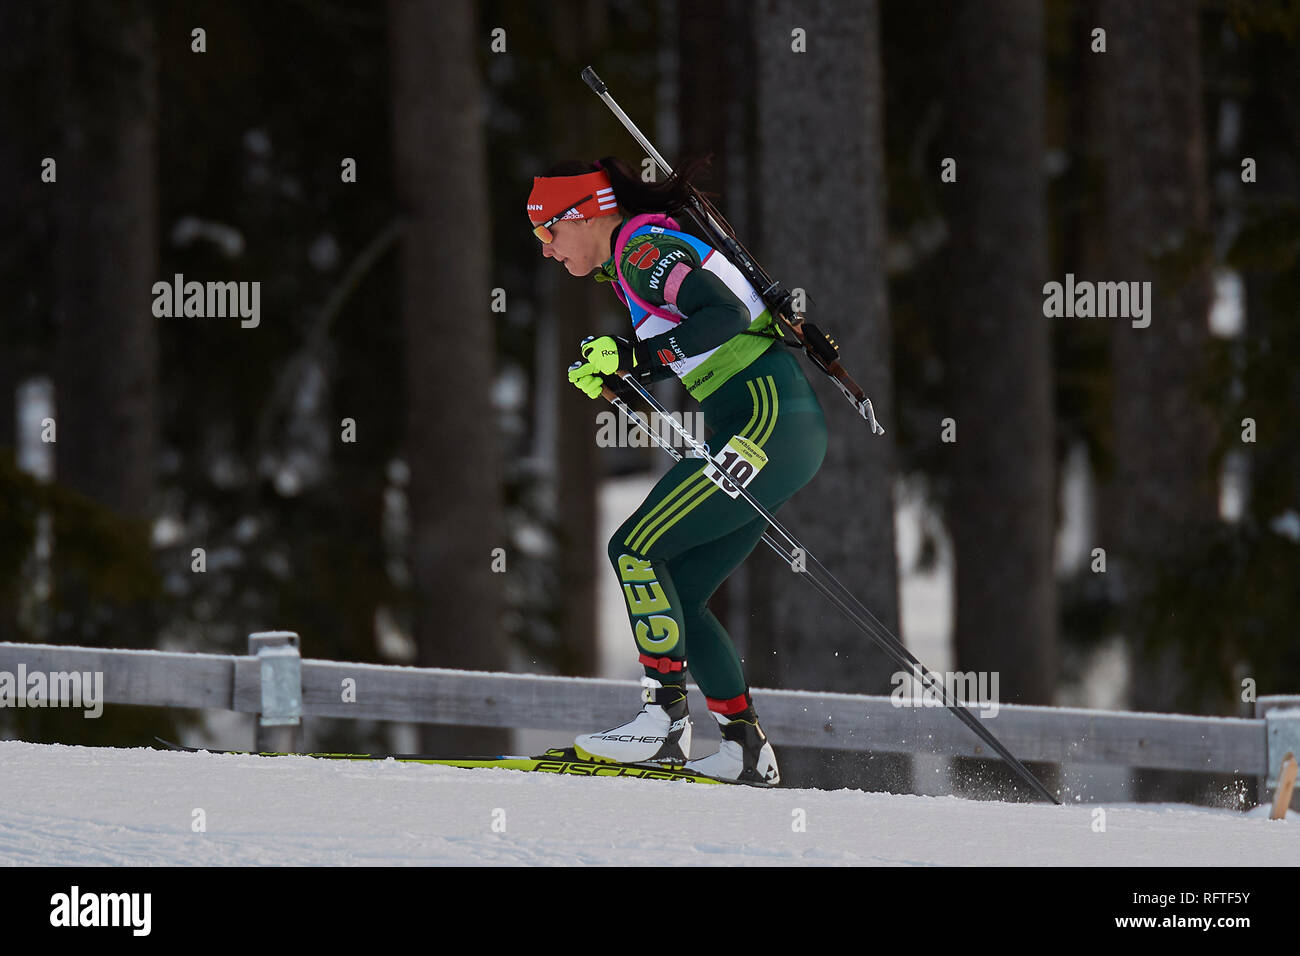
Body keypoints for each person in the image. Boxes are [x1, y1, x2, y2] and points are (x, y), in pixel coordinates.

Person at [527, 156, 828, 785]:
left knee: (633, 548)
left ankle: (662, 722)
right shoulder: (633, 259)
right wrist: (620, 371)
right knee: (681, 593)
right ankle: (744, 748)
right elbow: (702, 337)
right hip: (773, 427)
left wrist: (632, 354)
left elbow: (725, 316)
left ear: (585, 213)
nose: (548, 251)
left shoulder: (641, 248)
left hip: (764, 422)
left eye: (547, 232)